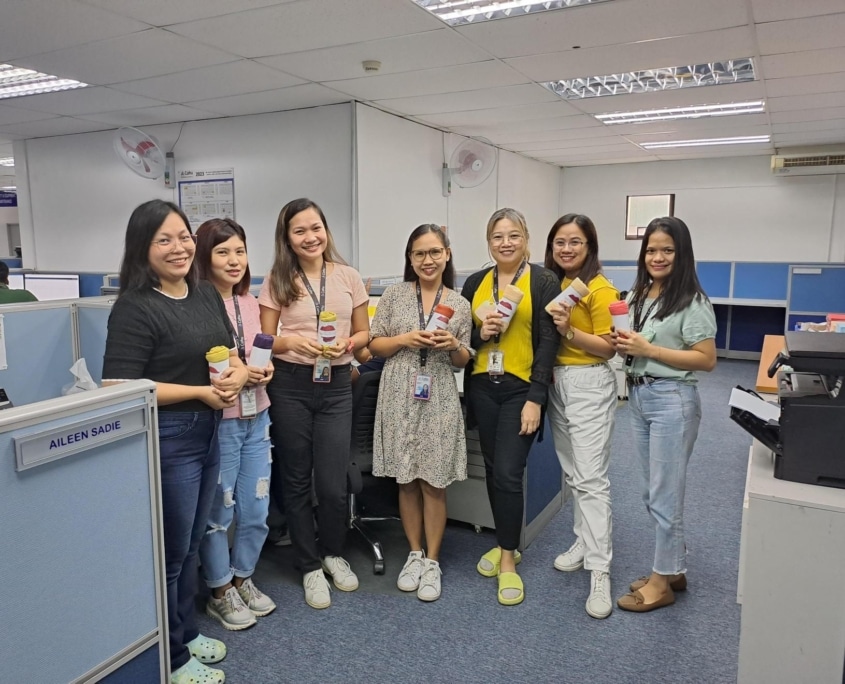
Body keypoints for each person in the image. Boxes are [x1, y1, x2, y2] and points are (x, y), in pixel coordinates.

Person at [102, 200, 249, 684]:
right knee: (169, 552)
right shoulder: (135, 307)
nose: (179, 247)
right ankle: (170, 655)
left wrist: (236, 375)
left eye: (183, 236)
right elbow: (118, 385)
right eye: (164, 239)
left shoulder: (205, 293)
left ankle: (184, 633)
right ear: (143, 249)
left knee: (190, 545)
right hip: (168, 437)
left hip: (208, 429)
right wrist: (202, 392)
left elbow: (228, 352)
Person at [258, 198, 370, 609]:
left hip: (337, 383)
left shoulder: (348, 277)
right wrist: (292, 341)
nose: (310, 237)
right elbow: (265, 342)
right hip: (290, 385)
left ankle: (333, 553)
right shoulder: (277, 279)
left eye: (316, 227)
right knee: (297, 479)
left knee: (332, 481)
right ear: (287, 238)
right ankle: (308, 565)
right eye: (299, 230)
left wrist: (349, 343)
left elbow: (364, 335)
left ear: (326, 230)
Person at [612, 216, 716, 613]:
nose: (658, 256)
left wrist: (650, 351)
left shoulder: (692, 300)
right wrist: (624, 344)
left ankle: (662, 583)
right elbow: (636, 345)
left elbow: (706, 360)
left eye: (667, 250)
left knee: (665, 494)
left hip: (672, 399)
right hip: (639, 398)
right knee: (653, 491)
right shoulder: (641, 294)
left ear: (682, 253)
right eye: (651, 249)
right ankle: (673, 569)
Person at [461, 208, 560, 606]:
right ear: (489, 243)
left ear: (526, 239)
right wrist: (480, 332)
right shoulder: (475, 283)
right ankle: (508, 543)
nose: (506, 243)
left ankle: (507, 558)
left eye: (514, 235)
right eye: (498, 236)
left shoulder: (543, 280)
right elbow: (463, 339)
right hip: (483, 386)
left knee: (506, 471)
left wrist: (537, 398)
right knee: (491, 468)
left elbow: (550, 341)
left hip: (522, 389)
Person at [368, 224, 472, 602]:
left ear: (446, 253)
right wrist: (404, 340)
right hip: (398, 391)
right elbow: (373, 346)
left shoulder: (460, 303)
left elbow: (463, 361)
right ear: (410, 259)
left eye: (434, 252)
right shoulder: (394, 296)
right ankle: (413, 553)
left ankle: (432, 560)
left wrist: (454, 343)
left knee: (433, 480)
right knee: (406, 479)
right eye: (418, 254)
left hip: (439, 392)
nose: (427, 260)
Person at [194, 218, 277, 631]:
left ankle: (243, 577)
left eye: (240, 251)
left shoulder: (251, 301)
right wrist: (241, 371)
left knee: (257, 506)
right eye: (223, 251)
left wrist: (266, 370)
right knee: (219, 512)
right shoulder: (196, 303)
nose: (234, 260)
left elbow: (259, 351)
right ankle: (219, 589)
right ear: (205, 257)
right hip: (221, 421)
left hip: (257, 413)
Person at [544, 213, 619, 619]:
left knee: (591, 480)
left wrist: (570, 331)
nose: (567, 249)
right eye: (560, 242)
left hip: (589, 382)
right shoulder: (552, 283)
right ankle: (582, 541)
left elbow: (610, 349)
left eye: (575, 242)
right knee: (573, 473)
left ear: (589, 247)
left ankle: (600, 570)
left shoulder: (600, 289)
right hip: (558, 383)